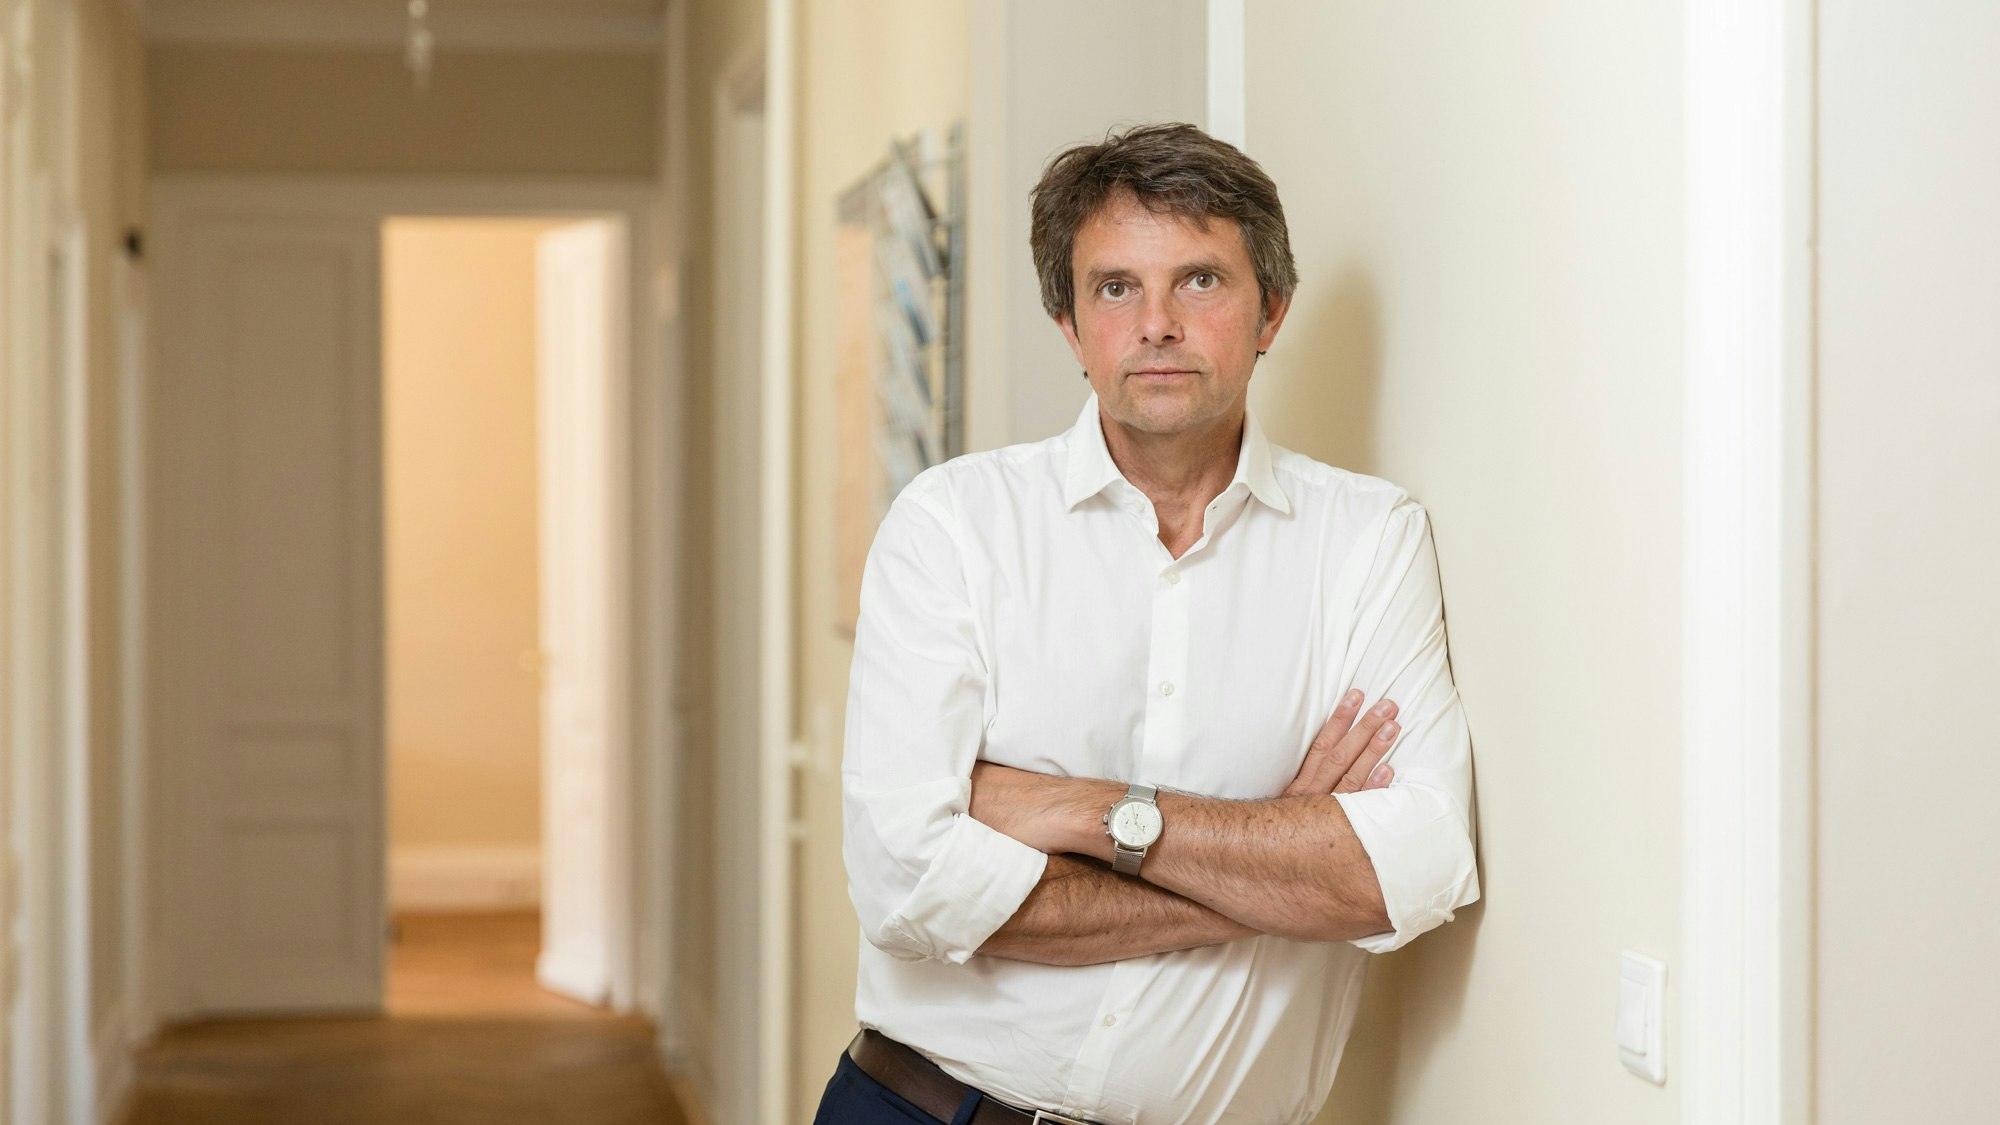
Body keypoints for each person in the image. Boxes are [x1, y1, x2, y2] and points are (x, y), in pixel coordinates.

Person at [818, 122, 1480, 1125]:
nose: (1156, 324)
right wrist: (1272, 864)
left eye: (1200, 282)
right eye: (1115, 287)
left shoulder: (1365, 538)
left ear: (1270, 312)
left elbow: (1414, 866)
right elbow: (907, 888)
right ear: (1068, 326)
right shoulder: (952, 526)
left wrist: (1088, 813)